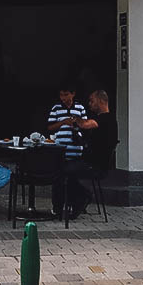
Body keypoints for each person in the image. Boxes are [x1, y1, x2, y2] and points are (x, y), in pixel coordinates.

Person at [53, 89, 119, 220]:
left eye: (92, 101)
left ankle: (76, 200)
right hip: (89, 162)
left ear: (101, 101)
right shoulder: (103, 120)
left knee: (61, 171)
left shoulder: (106, 119)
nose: (89, 104)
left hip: (95, 165)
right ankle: (78, 198)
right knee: (65, 169)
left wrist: (74, 119)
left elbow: (86, 124)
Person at [46, 82, 87, 156]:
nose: (63, 98)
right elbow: (50, 128)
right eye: (61, 95)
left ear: (73, 94)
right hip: (59, 150)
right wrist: (64, 122)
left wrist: (76, 123)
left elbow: (85, 126)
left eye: (66, 95)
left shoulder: (80, 108)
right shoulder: (56, 108)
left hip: (76, 150)